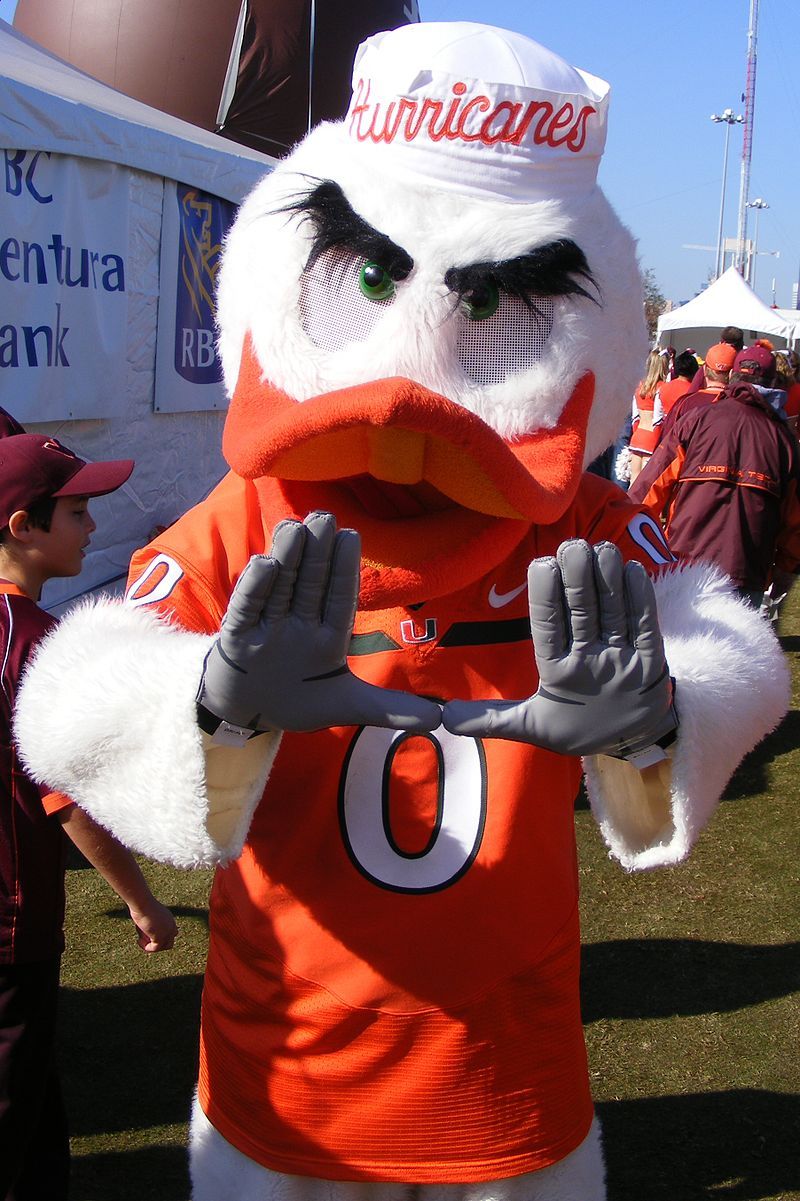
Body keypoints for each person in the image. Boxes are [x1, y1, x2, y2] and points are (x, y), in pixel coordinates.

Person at [13, 22, 788, 1201]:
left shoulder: (571, 521)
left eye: (487, 305)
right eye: (373, 280)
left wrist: (659, 712)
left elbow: (719, 633)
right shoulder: (252, 511)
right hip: (285, 1083)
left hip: (503, 1075)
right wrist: (206, 703)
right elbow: (78, 688)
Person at [0, 433, 178, 1201]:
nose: (93, 529)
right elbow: (67, 798)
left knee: (35, 1103)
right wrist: (141, 899)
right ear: (22, 526)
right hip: (12, 922)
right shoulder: (38, 646)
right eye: (76, 512)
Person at [629, 375, 800, 608]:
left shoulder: (697, 419)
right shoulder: (782, 439)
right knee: (737, 644)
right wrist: (785, 572)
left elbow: (648, 490)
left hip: (688, 563)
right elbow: (795, 522)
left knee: (679, 641)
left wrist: (627, 535)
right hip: (744, 569)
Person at [658, 340, 736, 440]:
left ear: (704, 370)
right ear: (732, 373)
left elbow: (668, 443)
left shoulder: (685, 402)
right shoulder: (743, 407)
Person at [627, 349, 668, 483]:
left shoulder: (639, 387)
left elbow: (635, 417)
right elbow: (658, 418)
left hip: (637, 436)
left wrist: (636, 434)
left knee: (633, 481)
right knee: (645, 485)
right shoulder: (662, 388)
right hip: (652, 439)